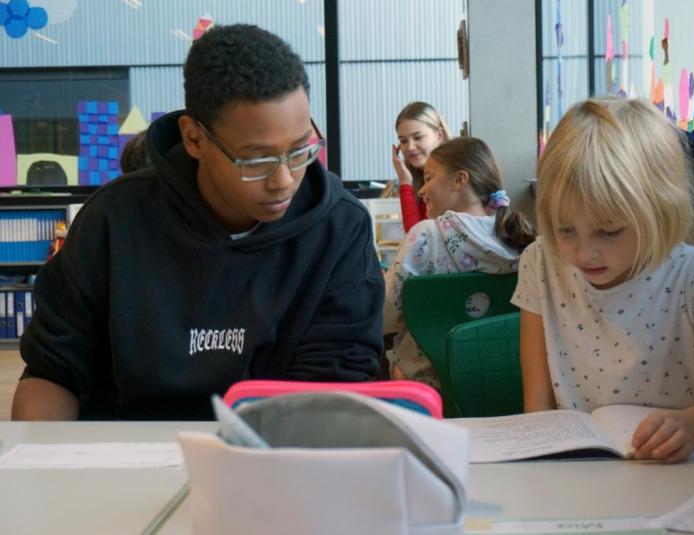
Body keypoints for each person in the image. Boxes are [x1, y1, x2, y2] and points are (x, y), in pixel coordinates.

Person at [12, 24, 384, 420]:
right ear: (194, 138)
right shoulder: (114, 220)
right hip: (124, 460)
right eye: (256, 160)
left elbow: (328, 392)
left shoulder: (338, 228)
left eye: (299, 152)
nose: (284, 180)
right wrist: (44, 462)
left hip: (273, 454)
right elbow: (53, 372)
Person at [513, 97, 694, 463]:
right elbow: (538, 405)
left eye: (608, 232)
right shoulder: (540, 262)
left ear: (659, 212)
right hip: (582, 471)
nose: (582, 253)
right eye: (565, 229)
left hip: (673, 470)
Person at [384, 137, 535, 389]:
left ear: (460, 179)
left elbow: (384, 317)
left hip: (428, 384)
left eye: (429, 177)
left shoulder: (426, 236)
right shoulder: (521, 240)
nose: (421, 190)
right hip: (504, 381)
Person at [392, 101, 451, 232]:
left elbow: (417, 238)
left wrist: (405, 184)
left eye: (418, 137)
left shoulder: (449, 178)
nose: (410, 147)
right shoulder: (418, 177)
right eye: (403, 141)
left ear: (439, 135)